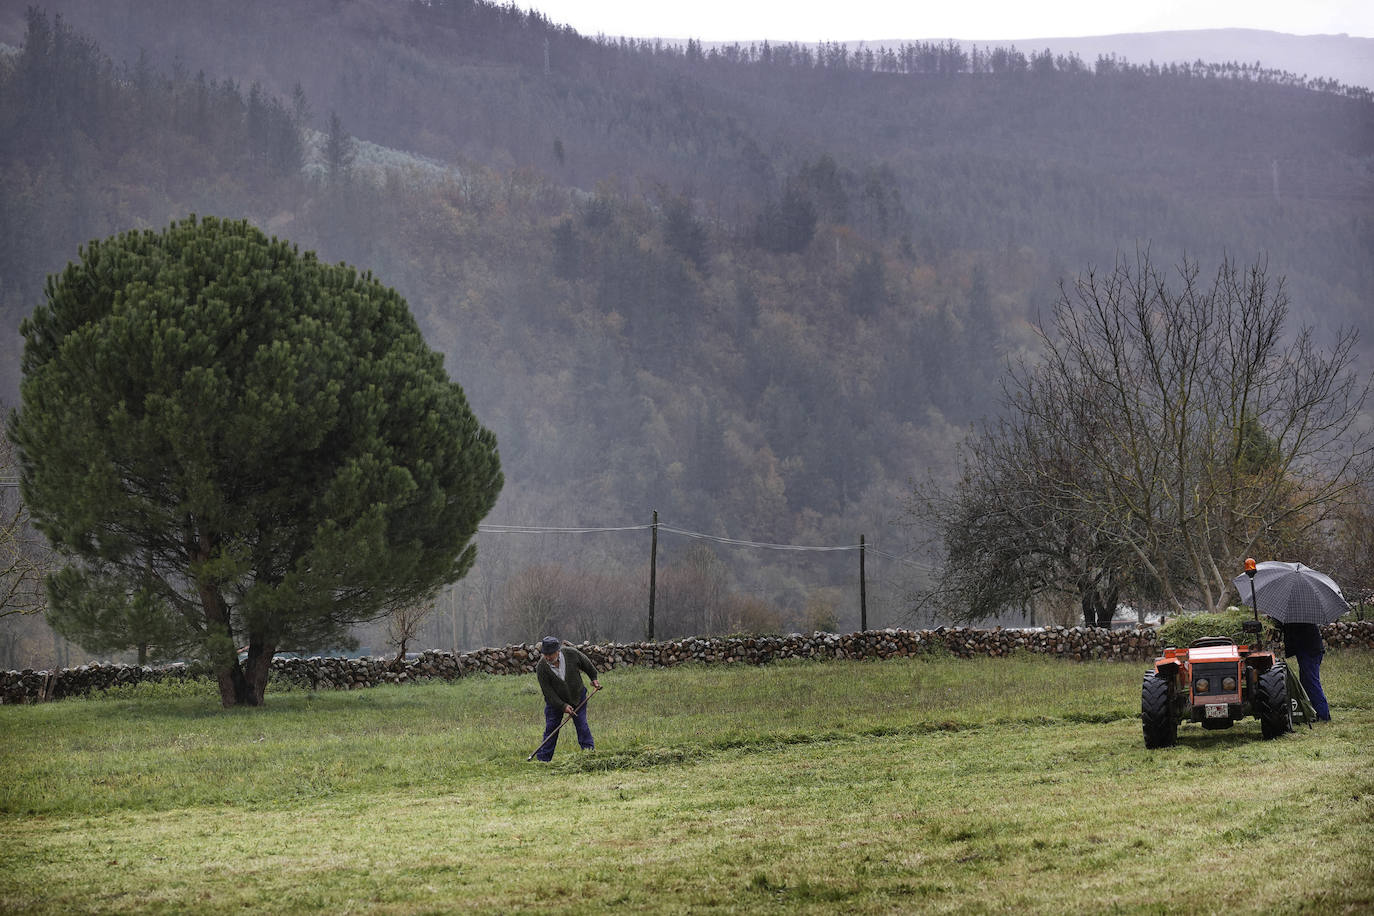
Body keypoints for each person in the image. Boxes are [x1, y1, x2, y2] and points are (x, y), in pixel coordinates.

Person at [532, 636, 601, 760]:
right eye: (545, 654)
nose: (547, 657)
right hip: (555, 703)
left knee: (582, 725)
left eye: (550, 654)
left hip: (577, 696)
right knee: (551, 729)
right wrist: (563, 706)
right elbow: (548, 693)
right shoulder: (541, 668)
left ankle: (589, 754)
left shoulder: (571, 653)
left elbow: (587, 664)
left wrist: (594, 679)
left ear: (557, 651)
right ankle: (543, 760)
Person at [1282, 621, 1331, 722]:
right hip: (1308, 650)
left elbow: (1293, 630)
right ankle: (1311, 713)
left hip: (1310, 651)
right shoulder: (1300, 615)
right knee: (1305, 682)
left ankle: (1323, 715)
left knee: (1311, 683)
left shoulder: (1299, 617)